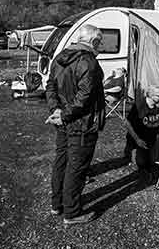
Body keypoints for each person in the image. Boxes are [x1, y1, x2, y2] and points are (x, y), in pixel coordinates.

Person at [45, 25, 105, 225]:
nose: (101, 45)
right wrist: (64, 115)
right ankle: (72, 213)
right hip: (81, 123)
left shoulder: (60, 57)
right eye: (100, 41)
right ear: (93, 42)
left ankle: (57, 204)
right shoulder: (88, 62)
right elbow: (84, 98)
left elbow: (50, 85)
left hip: (64, 119)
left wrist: (56, 110)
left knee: (61, 160)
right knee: (76, 167)